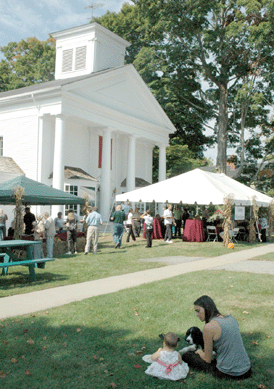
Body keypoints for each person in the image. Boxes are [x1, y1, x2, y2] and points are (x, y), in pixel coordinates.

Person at [181, 295, 252, 380]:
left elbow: (208, 359)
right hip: (247, 370)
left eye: (198, 311)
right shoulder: (230, 318)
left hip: (228, 373)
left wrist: (199, 352)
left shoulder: (209, 327)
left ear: (206, 309)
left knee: (187, 355)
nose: (196, 314)